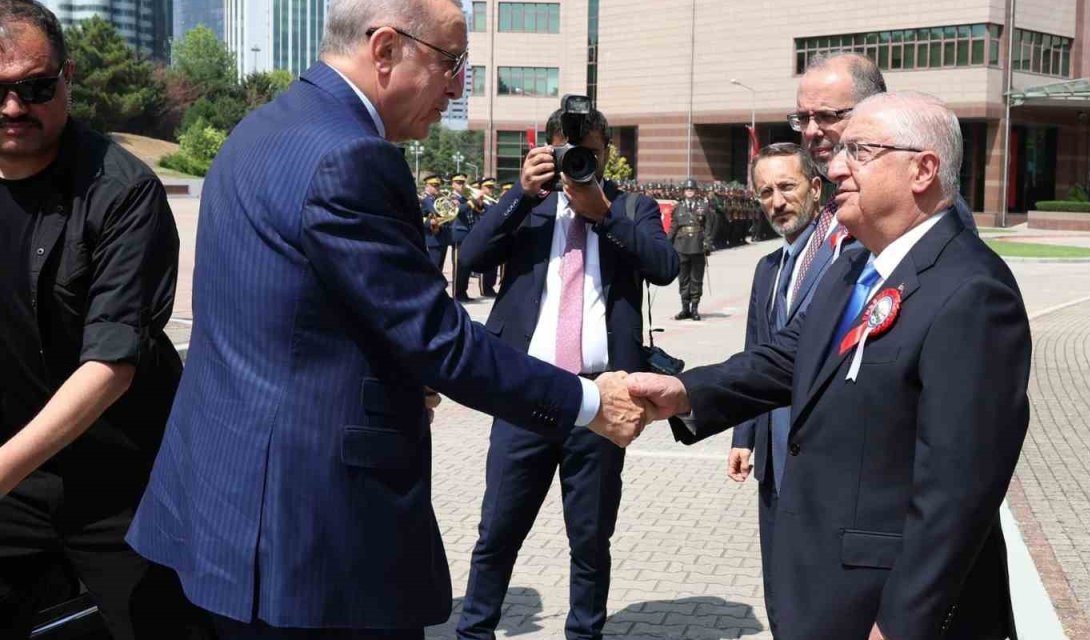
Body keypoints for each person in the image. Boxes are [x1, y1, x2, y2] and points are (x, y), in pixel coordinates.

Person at [123, 1, 647, 637]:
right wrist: (589, 402)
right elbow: (437, 339)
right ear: (386, 49)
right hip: (310, 529)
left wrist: (393, 368)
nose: (456, 87)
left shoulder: (262, 127)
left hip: (223, 502)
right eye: (452, 64)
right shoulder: (352, 157)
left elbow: (294, 310)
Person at [629, 92, 1031, 640]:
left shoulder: (974, 293)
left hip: (882, 606)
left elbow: (957, 494)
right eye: (839, 150)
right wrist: (683, 392)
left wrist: (900, 624)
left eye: (859, 151)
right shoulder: (854, 265)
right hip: (820, 584)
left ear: (923, 169)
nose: (835, 165)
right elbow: (786, 358)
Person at [0, 2, 213, 637]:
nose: (14, 108)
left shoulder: (122, 191)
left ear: (67, 79)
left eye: (34, 87)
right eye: (0, 90)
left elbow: (111, 365)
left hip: (118, 486)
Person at [456, 105, 677, 640]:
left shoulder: (630, 207)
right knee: (498, 531)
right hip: (525, 395)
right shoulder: (529, 210)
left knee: (591, 536)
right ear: (545, 151)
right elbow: (470, 258)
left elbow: (665, 268)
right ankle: (474, 631)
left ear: (606, 155)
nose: (579, 162)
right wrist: (520, 194)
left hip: (602, 399)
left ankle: (584, 634)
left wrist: (604, 214)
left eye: (591, 154)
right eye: (566, 153)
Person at [724, 143, 854, 634]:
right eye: (765, 192)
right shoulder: (767, 270)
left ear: (816, 188)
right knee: (780, 590)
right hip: (774, 460)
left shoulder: (849, 258)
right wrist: (743, 436)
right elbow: (755, 356)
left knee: (821, 594)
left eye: (786, 187)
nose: (776, 201)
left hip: (826, 456)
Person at [793, 53, 977, 232]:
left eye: (826, 116)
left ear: (872, 108)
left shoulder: (927, 209)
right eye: (802, 118)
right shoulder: (840, 202)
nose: (810, 131)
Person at [668, 178, 717, 320]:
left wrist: (708, 243)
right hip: (681, 246)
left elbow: (708, 226)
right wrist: (666, 243)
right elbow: (673, 227)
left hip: (697, 245)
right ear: (683, 192)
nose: (689, 191)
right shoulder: (678, 208)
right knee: (683, 279)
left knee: (696, 278)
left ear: (696, 191)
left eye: (692, 189)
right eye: (687, 189)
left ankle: (695, 308)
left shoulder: (703, 207)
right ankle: (685, 308)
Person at [449, 172, 479, 301]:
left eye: (462, 183)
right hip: (458, 234)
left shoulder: (465, 199)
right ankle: (457, 293)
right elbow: (457, 211)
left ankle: (463, 292)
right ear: (452, 184)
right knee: (459, 265)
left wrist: (477, 202)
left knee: (466, 265)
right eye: (458, 183)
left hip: (467, 233)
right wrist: (470, 204)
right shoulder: (450, 198)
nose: (461, 185)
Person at [475, 176, 499, 297]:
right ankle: (485, 288)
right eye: (488, 187)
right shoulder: (481, 202)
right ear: (481, 188)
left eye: (492, 187)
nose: (491, 190)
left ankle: (490, 287)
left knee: (493, 264)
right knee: (485, 263)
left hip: (495, 235)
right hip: (485, 235)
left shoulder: (492, 201)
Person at [421, 173, 448, 269]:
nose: (437, 188)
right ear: (427, 186)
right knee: (433, 268)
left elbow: (446, 215)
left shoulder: (439, 199)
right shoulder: (422, 199)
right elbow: (417, 217)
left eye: (438, 186)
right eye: (434, 186)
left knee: (439, 268)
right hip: (431, 238)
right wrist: (429, 222)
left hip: (442, 238)